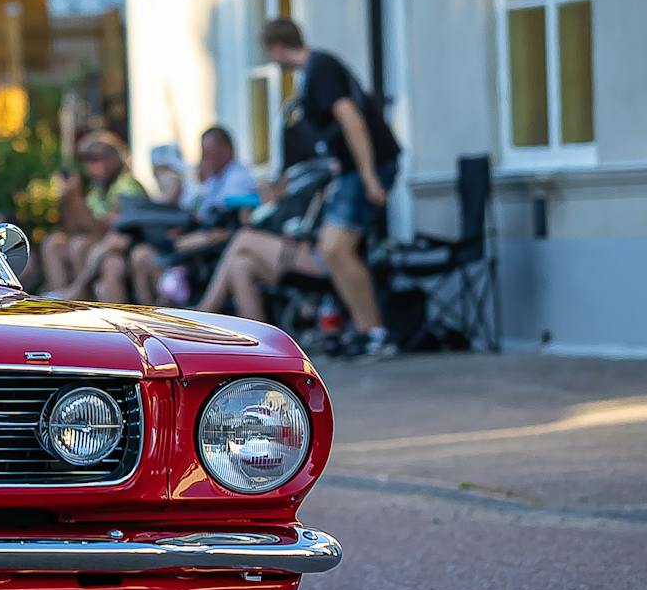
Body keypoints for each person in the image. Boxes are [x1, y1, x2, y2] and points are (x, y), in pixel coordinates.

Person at [199, 20, 403, 356]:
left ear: (276, 47)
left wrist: (368, 177)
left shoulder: (320, 68)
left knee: (335, 248)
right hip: (351, 171)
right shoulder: (313, 74)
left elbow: (351, 118)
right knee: (254, 262)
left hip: (364, 169)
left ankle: (374, 332)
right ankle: (262, 350)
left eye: (267, 52)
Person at [128, 125, 259, 304]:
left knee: (154, 257)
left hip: (214, 244)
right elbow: (198, 212)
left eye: (208, 152)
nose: (204, 158)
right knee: (141, 253)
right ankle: (153, 310)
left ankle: (172, 305)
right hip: (199, 238)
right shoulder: (215, 179)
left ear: (226, 149)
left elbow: (225, 220)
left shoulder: (237, 177)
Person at [42, 132, 149, 296]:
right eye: (86, 161)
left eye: (95, 159)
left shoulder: (126, 185)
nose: (90, 167)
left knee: (80, 245)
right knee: (53, 243)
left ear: (113, 159)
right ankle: (58, 297)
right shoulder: (97, 191)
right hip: (101, 243)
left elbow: (103, 229)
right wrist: (67, 199)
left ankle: (78, 297)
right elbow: (74, 229)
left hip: (126, 248)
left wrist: (76, 197)